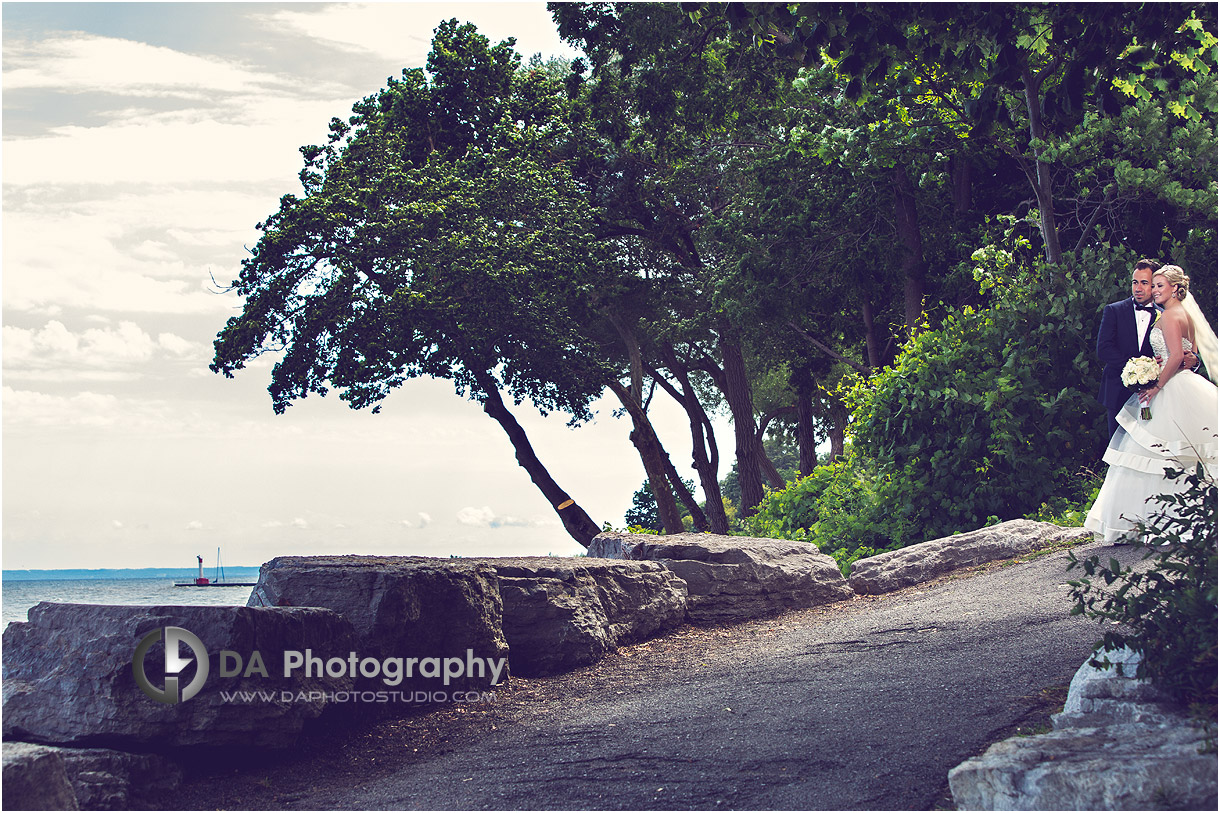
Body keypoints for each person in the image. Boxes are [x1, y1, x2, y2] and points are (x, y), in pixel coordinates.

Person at [1085, 265, 1218, 544]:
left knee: (1151, 455)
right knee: (1179, 453)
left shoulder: (1168, 315)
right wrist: (1143, 368)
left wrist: (1157, 384)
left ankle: (1149, 519)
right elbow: (1184, 352)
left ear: (1174, 287)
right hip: (1136, 387)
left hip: (1165, 389)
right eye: (1147, 285)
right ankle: (1183, 515)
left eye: (1156, 285)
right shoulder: (1179, 314)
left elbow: (1175, 357)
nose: (1150, 289)